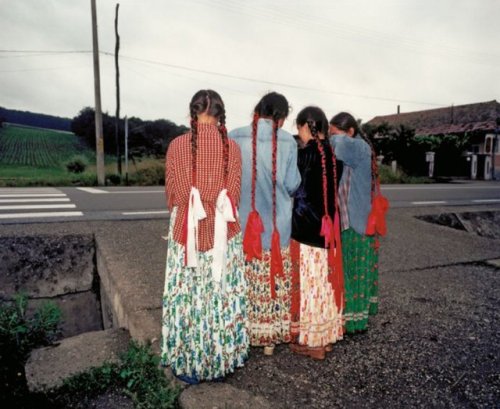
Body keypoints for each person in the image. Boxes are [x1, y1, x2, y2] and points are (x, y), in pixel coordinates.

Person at [161, 89, 248, 383]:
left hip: (188, 232)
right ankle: (221, 360)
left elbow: (173, 194)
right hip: (223, 232)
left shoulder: (176, 145)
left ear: (192, 113)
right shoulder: (232, 149)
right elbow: (233, 195)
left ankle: (189, 363)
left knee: (189, 298)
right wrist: (213, 203)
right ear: (220, 115)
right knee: (220, 296)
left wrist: (196, 201)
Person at [229, 91, 301, 355]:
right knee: (274, 282)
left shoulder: (234, 136)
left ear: (256, 111)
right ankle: (270, 340)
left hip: (245, 227)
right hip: (277, 227)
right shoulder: (287, 142)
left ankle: (245, 334)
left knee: (248, 283)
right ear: (281, 118)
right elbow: (293, 184)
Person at [289, 106, 344, 360]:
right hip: (329, 229)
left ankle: (313, 343)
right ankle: (326, 336)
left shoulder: (305, 156)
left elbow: (297, 191)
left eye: (298, 128)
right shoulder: (334, 156)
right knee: (325, 284)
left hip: (308, 229)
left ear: (304, 127)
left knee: (310, 285)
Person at [329, 111, 379, 333]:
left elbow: (335, 145)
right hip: (354, 219)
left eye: (335, 133)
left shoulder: (357, 147)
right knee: (353, 270)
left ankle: (354, 322)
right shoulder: (356, 147)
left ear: (350, 132)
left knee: (353, 271)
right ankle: (354, 319)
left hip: (355, 221)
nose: (331, 138)